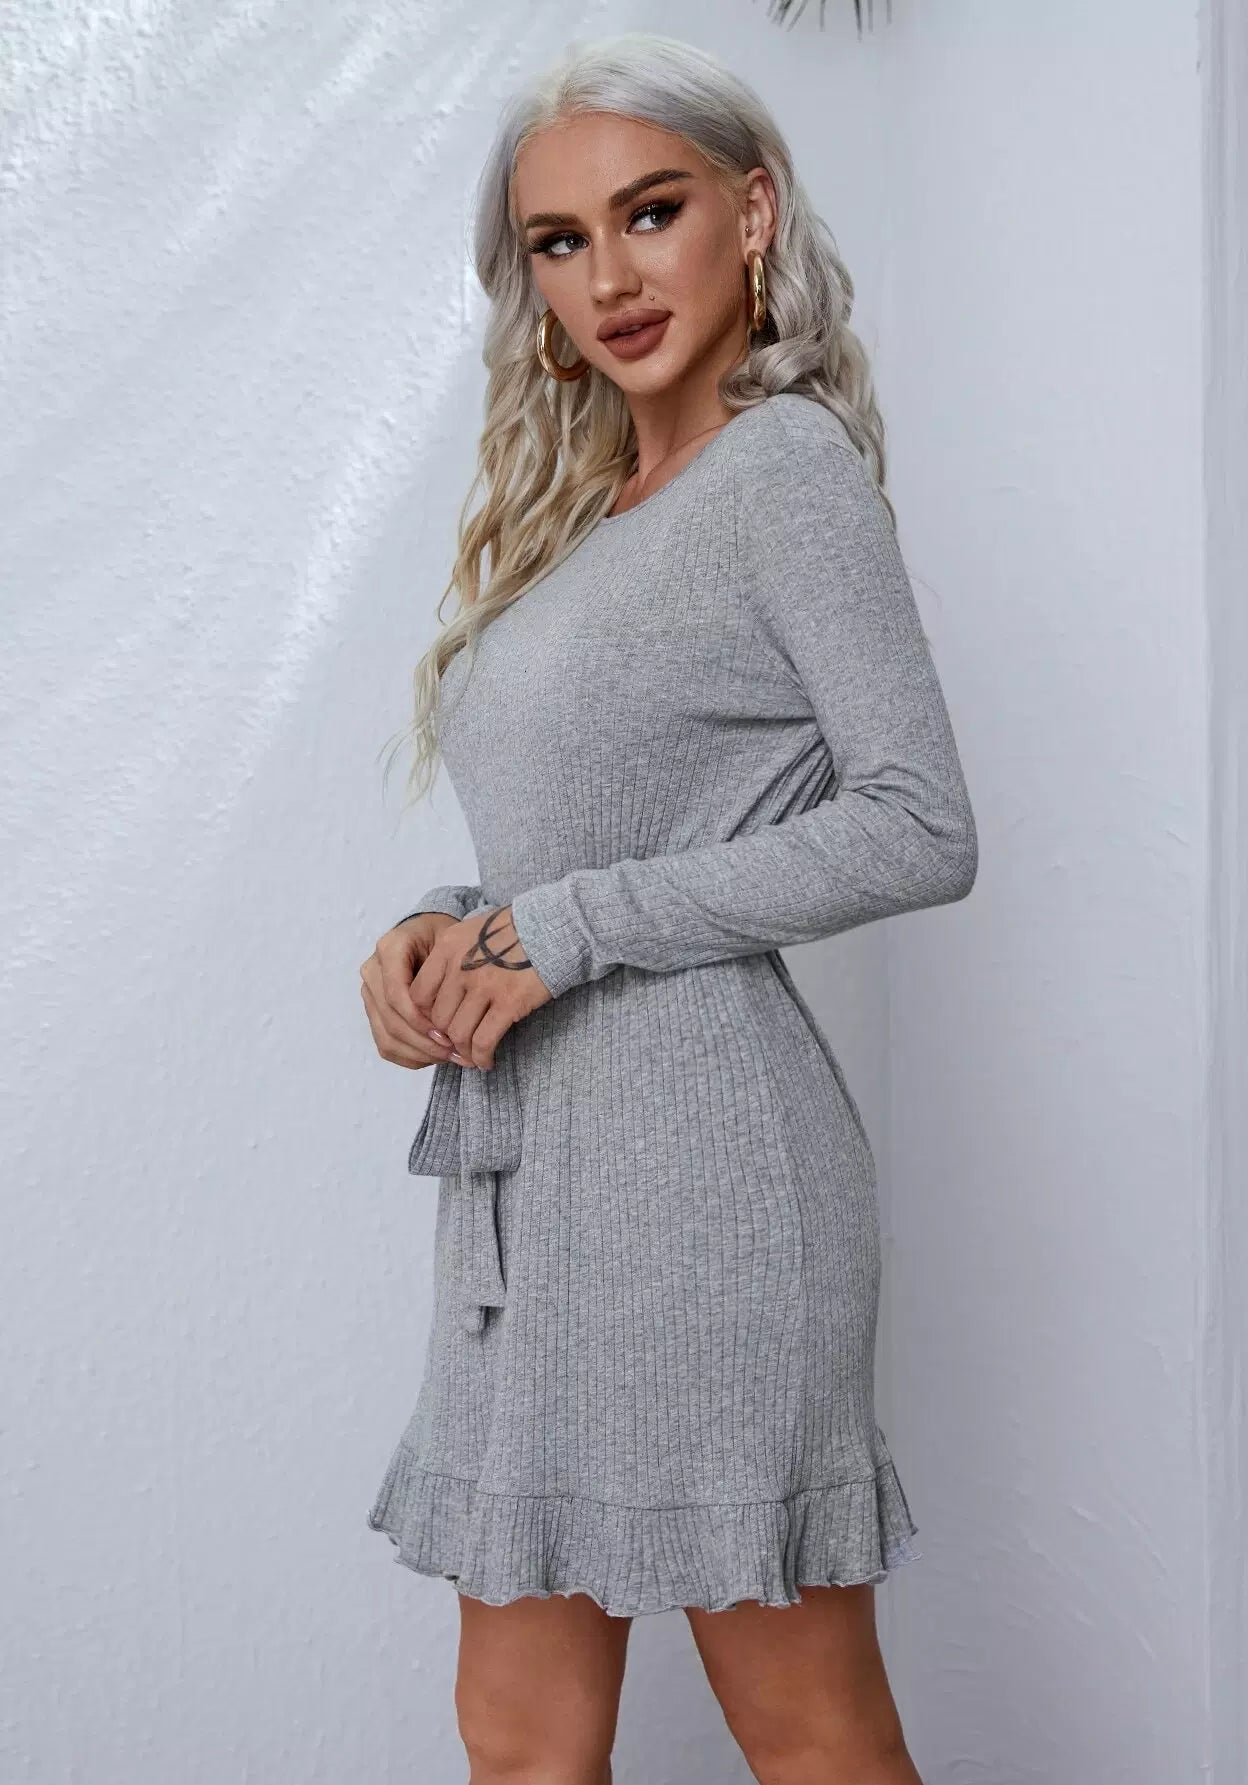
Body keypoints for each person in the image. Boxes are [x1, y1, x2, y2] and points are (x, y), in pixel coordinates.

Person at [359, 32, 977, 1785]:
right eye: (560, 241)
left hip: (707, 1180)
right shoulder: (583, 516)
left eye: (651, 213)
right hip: (527, 1187)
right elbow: (582, 833)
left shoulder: (784, 474)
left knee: (809, 1727)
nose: (610, 278)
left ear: (752, 214)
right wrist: (446, 931)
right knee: (517, 1736)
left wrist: (563, 930)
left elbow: (922, 825)